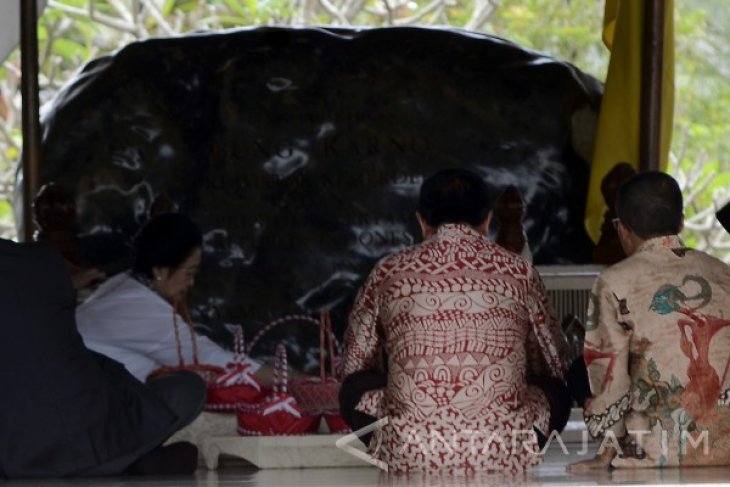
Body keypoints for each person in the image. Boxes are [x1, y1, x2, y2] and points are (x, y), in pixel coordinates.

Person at [339, 168, 572, 474]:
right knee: (556, 387)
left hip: (411, 448)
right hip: (505, 447)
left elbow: (356, 360)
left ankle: (409, 442)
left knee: (354, 386)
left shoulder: (389, 271)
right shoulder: (519, 271)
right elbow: (551, 358)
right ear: (488, 220)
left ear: (422, 222)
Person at [0, 238, 205, 478]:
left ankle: (128, 464)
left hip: (18, 457)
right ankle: (130, 462)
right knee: (186, 388)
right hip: (95, 435)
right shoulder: (43, 261)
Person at [569, 172, 730, 471]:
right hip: (726, 445)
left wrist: (607, 454)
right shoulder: (724, 273)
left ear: (623, 230)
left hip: (658, 449)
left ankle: (625, 444)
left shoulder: (614, 280)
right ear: (681, 222)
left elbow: (609, 373)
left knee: (582, 368)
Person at [76, 213, 269, 383]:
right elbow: (209, 358)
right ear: (160, 270)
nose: (191, 283)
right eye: (189, 273)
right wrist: (288, 380)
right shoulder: (143, 309)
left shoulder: (123, 281)